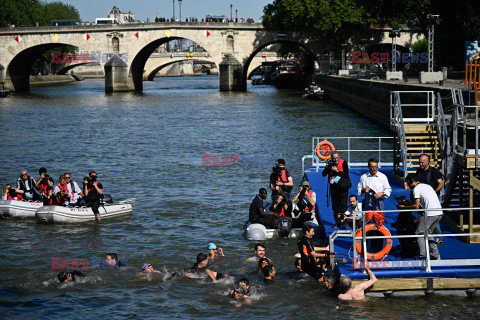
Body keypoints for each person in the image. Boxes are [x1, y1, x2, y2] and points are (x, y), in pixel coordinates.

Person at [398, 173, 443, 260]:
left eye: (409, 183)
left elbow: (416, 206)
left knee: (419, 233)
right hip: (439, 212)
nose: (409, 186)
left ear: (412, 181)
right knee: (429, 233)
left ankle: (423, 256)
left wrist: (404, 207)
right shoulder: (427, 186)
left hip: (430, 213)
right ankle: (436, 255)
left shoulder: (416, 189)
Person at [416, 154, 445, 245]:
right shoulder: (419, 171)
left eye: (422, 162)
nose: (420, 164)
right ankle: (428, 234)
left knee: (433, 215)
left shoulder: (434, 171)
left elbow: (441, 183)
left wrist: (434, 191)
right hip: (423, 197)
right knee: (426, 216)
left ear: (428, 161)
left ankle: (439, 237)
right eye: (419, 162)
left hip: (433, 198)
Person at [322, 151, 350, 227]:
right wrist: (327, 167)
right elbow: (323, 174)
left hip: (343, 186)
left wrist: (336, 171)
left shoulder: (343, 162)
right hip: (333, 187)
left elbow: (345, 175)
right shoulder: (330, 163)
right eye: (334, 158)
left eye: (337, 158)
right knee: (335, 206)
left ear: (339, 157)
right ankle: (337, 222)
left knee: (343, 205)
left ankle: (343, 222)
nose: (336, 160)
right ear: (331, 158)